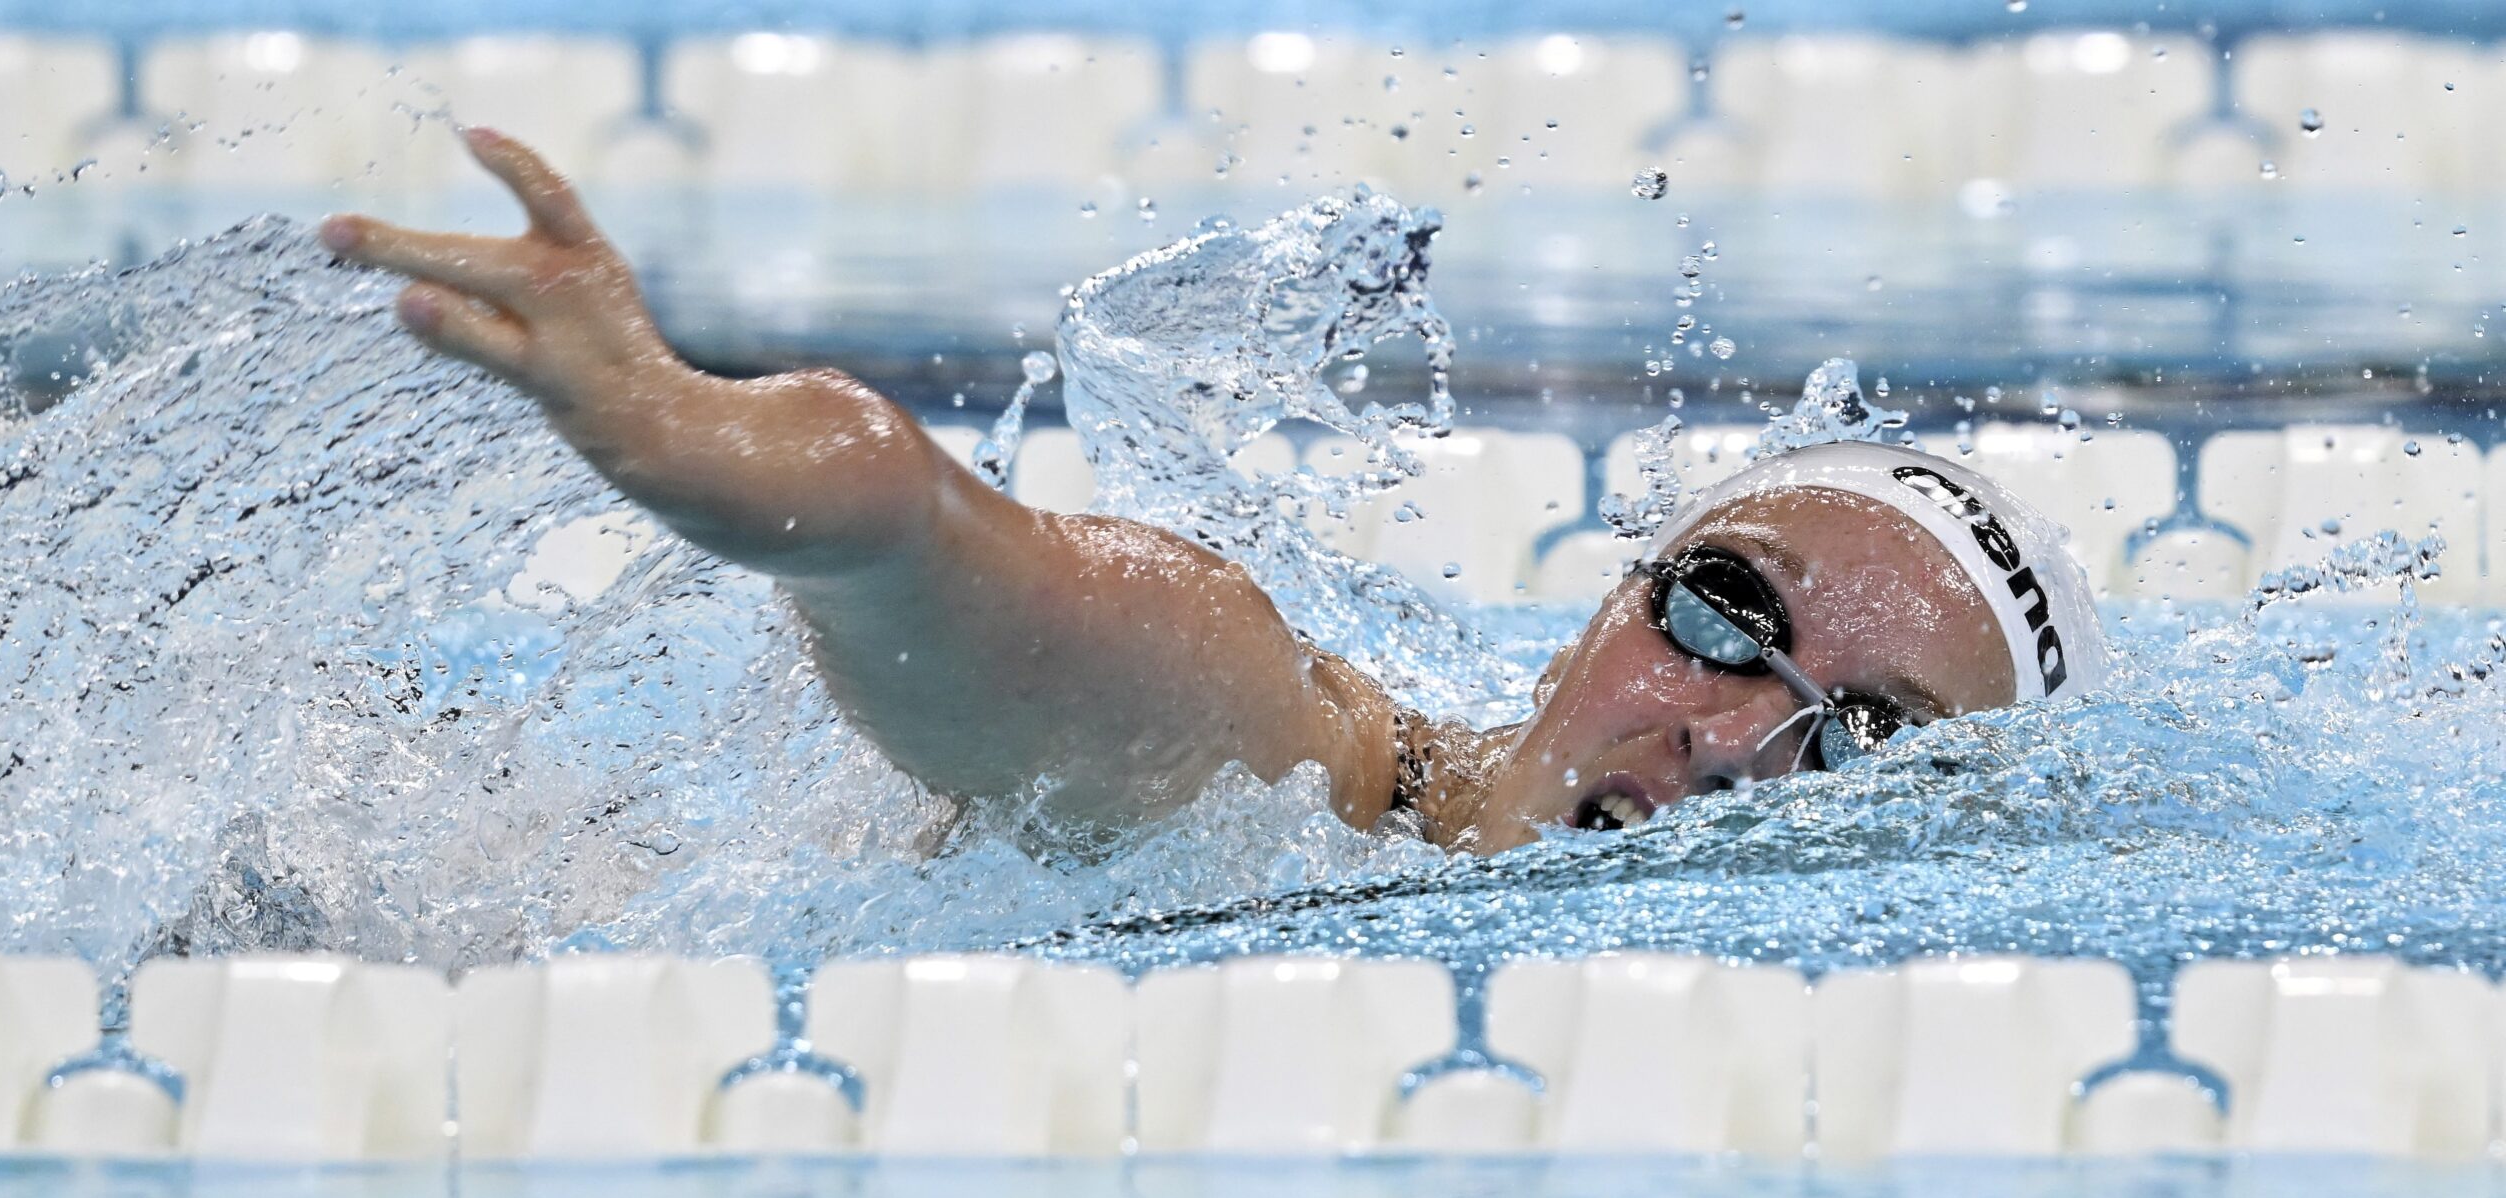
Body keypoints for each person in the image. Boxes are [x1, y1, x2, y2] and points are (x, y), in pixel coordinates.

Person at [318, 128, 2109, 857]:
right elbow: (1058, 634)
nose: (1730, 737)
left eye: (1862, 741)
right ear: (1609, 594)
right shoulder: (1306, 776)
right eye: (1725, 615)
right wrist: (829, 494)